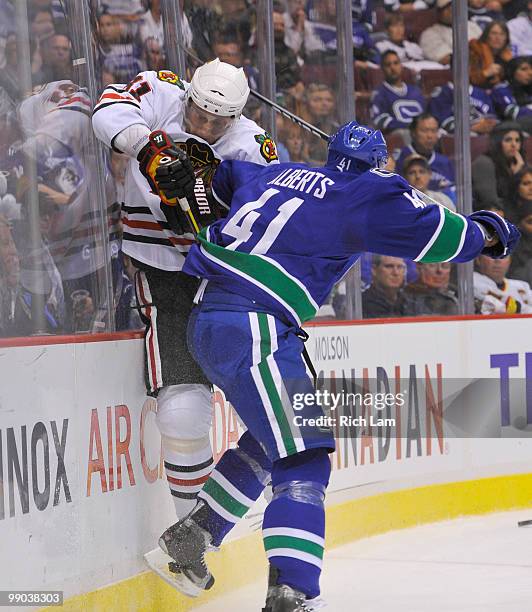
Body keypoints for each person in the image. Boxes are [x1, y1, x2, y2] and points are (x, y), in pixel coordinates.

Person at [155, 122, 518, 609]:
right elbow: (448, 240)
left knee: (273, 437)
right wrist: (494, 231)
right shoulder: (368, 191)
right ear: (378, 163)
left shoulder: (273, 173)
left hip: (213, 315)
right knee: (303, 458)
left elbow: (217, 178)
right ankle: (293, 592)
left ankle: (194, 534)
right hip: (252, 322)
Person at [92, 59, 279, 524]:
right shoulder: (161, 93)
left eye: (219, 121)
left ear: (236, 117)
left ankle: (277, 496)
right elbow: (107, 109)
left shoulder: (253, 148)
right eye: (199, 115)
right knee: (182, 414)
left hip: (226, 281)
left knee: (270, 404)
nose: (206, 126)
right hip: (163, 275)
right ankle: (189, 534)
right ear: (189, 98)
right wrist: (150, 149)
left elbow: (270, 222)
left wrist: (211, 215)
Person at [395, 112, 455, 192]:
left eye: (434, 131)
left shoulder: (444, 162)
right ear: (413, 133)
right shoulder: (400, 158)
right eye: (424, 131)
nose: (429, 136)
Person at [472, 121, 526, 210]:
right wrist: (515, 177)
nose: (514, 144)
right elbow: (491, 201)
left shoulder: (518, 163)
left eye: (517, 140)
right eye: (508, 140)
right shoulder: (484, 163)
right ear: (497, 142)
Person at [370, 50, 426, 136]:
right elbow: (380, 120)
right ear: (382, 69)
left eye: (396, 63)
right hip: (399, 136)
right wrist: (411, 126)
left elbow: (425, 116)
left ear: (401, 66)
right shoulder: (379, 94)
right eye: (388, 65)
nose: (392, 68)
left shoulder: (415, 91)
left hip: (421, 133)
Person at [419, 0, 482, 65]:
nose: (453, 11)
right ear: (440, 12)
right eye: (449, 8)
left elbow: (487, 46)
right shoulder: (429, 34)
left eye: (456, 8)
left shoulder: (471, 25)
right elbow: (446, 59)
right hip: (457, 71)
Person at [429, 78, 497, 135]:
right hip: (458, 138)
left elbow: (492, 118)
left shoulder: (481, 93)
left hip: (486, 135)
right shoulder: (442, 93)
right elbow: (446, 124)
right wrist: (473, 128)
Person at [492, 56, 532, 132]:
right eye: (524, 69)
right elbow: (512, 112)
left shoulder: (528, 90)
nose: (530, 73)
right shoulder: (501, 89)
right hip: (505, 130)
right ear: (512, 71)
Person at [469, 20, 513, 89]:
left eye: (502, 34)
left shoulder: (507, 57)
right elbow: (467, 79)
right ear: (486, 35)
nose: (498, 38)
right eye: (493, 33)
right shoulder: (475, 51)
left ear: (506, 38)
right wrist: (485, 73)